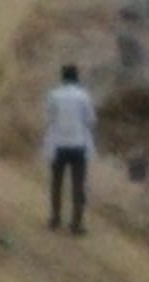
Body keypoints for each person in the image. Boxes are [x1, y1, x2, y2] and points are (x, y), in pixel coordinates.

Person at [44, 64, 96, 234]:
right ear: (77, 78)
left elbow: (49, 118)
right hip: (78, 145)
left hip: (58, 144)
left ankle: (55, 218)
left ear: (63, 78)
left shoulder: (54, 95)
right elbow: (91, 120)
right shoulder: (83, 96)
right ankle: (76, 223)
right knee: (78, 185)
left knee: (57, 183)